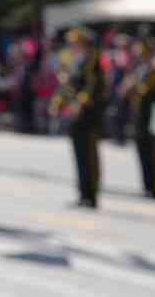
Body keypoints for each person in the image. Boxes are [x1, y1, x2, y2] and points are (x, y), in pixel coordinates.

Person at [55, 28, 108, 209]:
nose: (71, 46)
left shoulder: (92, 58)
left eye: (74, 42)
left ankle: (91, 195)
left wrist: (80, 103)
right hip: (75, 114)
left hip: (88, 114)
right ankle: (83, 193)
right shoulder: (76, 61)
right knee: (79, 154)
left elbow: (93, 85)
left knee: (89, 155)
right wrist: (61, 102)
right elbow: (71, 86)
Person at [122, 40, 155, 199]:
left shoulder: (153, 71)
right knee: (141, 151)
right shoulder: (139, 70)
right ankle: (146, 186)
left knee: (151, 152)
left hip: (150, 115)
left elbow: (145, 91)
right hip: (138, 115)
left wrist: (132, 85)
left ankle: (153, 187)